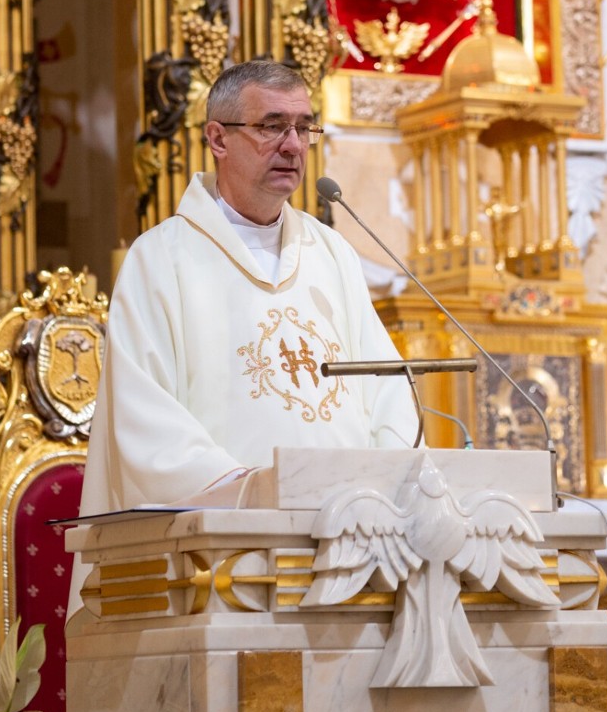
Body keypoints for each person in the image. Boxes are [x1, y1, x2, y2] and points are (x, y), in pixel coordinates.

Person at [75, 59, 419, 529]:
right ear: (218, 139)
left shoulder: (331, 252)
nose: (293, 145)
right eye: (272, 126)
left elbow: (388, 391)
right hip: (225, 545)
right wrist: (254, 490)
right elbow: (145, 417)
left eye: (303, 127)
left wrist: (387, 486)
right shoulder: (160, 259)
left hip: (352, 532)